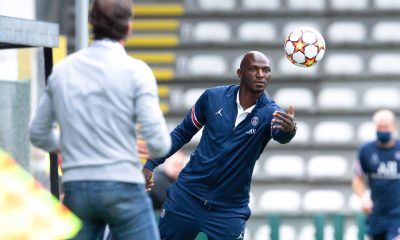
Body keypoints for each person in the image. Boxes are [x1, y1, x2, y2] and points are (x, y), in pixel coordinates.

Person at [29, 0, 171, 239]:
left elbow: (38, 133)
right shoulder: (137, 72)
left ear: (91, 24)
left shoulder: (63, 70)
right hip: (123, 187)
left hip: (78, 188)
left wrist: (71, 145)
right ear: (129, 27)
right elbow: (159, 144)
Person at [143, 51, 297, 240]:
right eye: (253, 69)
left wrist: (290, 130)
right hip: (187, 197)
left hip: (229, 209)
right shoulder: (212, 97)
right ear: (240, 73)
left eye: (266, 70)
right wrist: (151, 164)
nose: (260, 75)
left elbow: (281, 134)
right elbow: (182, 132)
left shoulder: (270, 113)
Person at [352, 109, 400, 240]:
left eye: (386, 127)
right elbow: (358, 178)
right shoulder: (366, 150)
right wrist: (363, 198)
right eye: (380, 127)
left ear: (393, 127)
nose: (383, 130)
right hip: (376, 213)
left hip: (397, 215)